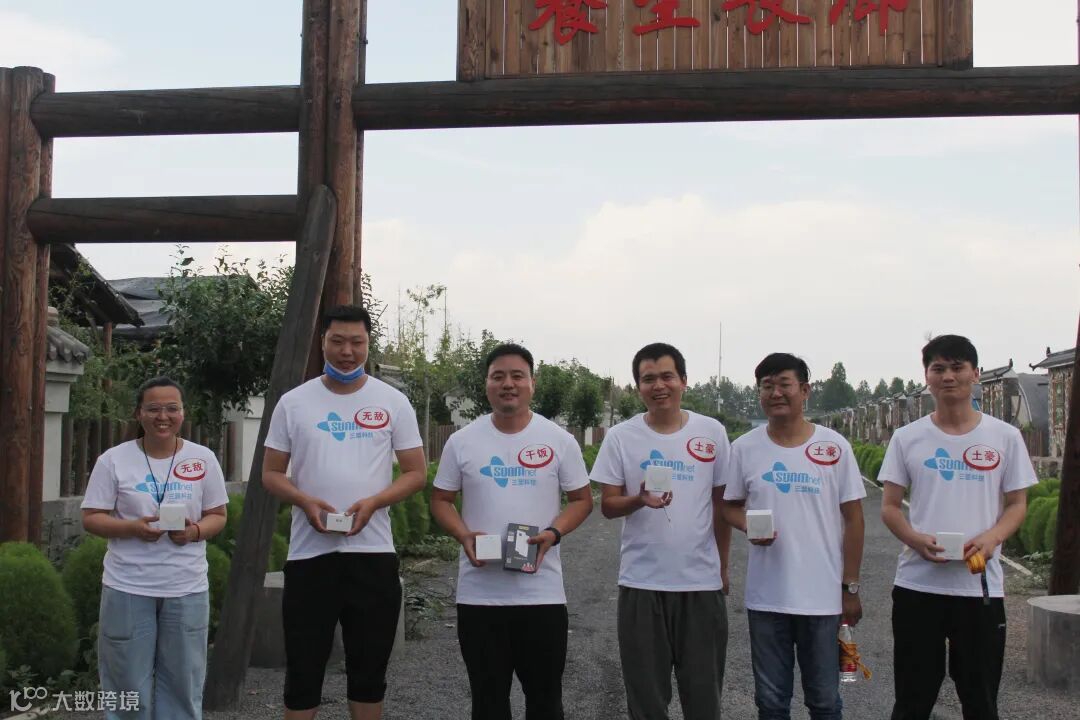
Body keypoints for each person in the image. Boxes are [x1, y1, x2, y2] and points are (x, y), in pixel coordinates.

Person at [262, 304, 427, 720]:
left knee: (369, 674)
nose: (347, 351)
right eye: (337, 341)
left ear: (369, 343)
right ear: (322, 342)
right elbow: (270, 474)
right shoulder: (294, 403)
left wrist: (375, 502)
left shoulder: (392, 401)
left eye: (357, 342)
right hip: (309, 556)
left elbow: (416, 473)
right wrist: (304, 500)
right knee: (303, 673)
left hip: (373, 556)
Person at [430, 343, 593, 720]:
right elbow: (440, 500)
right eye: (498, 376)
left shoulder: (558, 440)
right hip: (479, 597)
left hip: (542, 595)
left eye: (517, 376)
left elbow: (582, 500)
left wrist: (553, 533)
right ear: (486, 384)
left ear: (532, 383)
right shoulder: (462, 441)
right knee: (488, 703)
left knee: (545, 702)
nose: (508, 384)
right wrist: (463, 535)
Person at [880, 334, 1035, 720]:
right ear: (927, 377)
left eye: (957, 367)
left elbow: (1017, 504)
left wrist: (992, 537)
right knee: (912, 700)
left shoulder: (1004, 437)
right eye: (938, 368)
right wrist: (914, 539)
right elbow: (890, 507)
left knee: (980, 700)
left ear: (975, 374)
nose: (948, 376)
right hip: (918, 586)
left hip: (979, 587)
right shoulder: (907, 438)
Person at [591, 342, 731, 720]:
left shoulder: (711, 432)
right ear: (638, 386)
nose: (658, 386)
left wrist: (722, 567)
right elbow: (608, 505)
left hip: (700, 586)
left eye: (667, 376)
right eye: (648, 379)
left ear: (683, 381)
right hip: (642, 583)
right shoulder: (622, 437)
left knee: (704, 700)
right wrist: (638, 499)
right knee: (646, 702)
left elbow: (721, 506)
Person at [721, 353, 866, 720]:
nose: (775, 393)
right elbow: (728, 507)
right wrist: (749, 525)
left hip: (822, 599)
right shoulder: (745, 449)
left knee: (825, 702)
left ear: (804, 390)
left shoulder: (834, 447)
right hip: (767, 599)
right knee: (771, 703)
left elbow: (854, 519)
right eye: (766, 386)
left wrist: (850, 588)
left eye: (784, 384)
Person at [81, 377, 229, 720]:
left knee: (183, 682)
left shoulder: (203, 458)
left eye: (171, 408)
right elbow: (91, 518)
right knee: (126, 684)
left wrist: (194, 532)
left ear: (183, 413)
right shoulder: (113, 460)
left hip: (186, 586)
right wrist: (132, 528)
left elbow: (218, 516)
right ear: (139, 414)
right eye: (153, 409)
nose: (163, 416)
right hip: (128, 586)